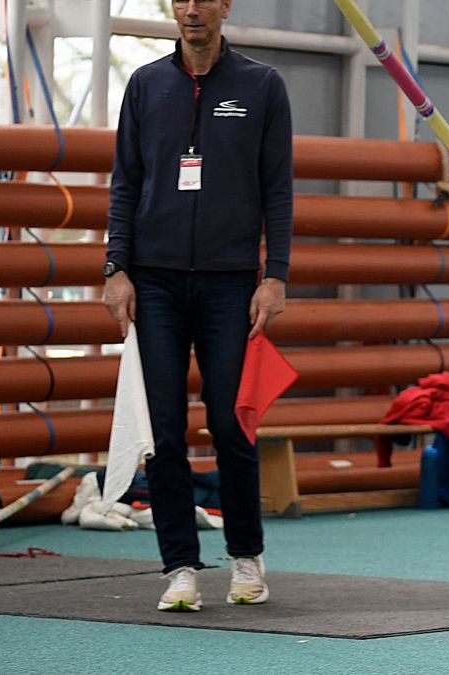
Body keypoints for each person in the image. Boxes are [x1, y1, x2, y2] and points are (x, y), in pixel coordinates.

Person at [103, 0, 293, 612]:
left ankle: (246, 556)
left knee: (231, 421)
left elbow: (278, 189)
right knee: (163, 430)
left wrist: (275, 276)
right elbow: (125, 182)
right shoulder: (145, 85)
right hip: (153, 282)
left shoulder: (262, 86)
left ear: (225, 6)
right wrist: (116, 267)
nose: (191, 9)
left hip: (230, 284)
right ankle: (180, 567)